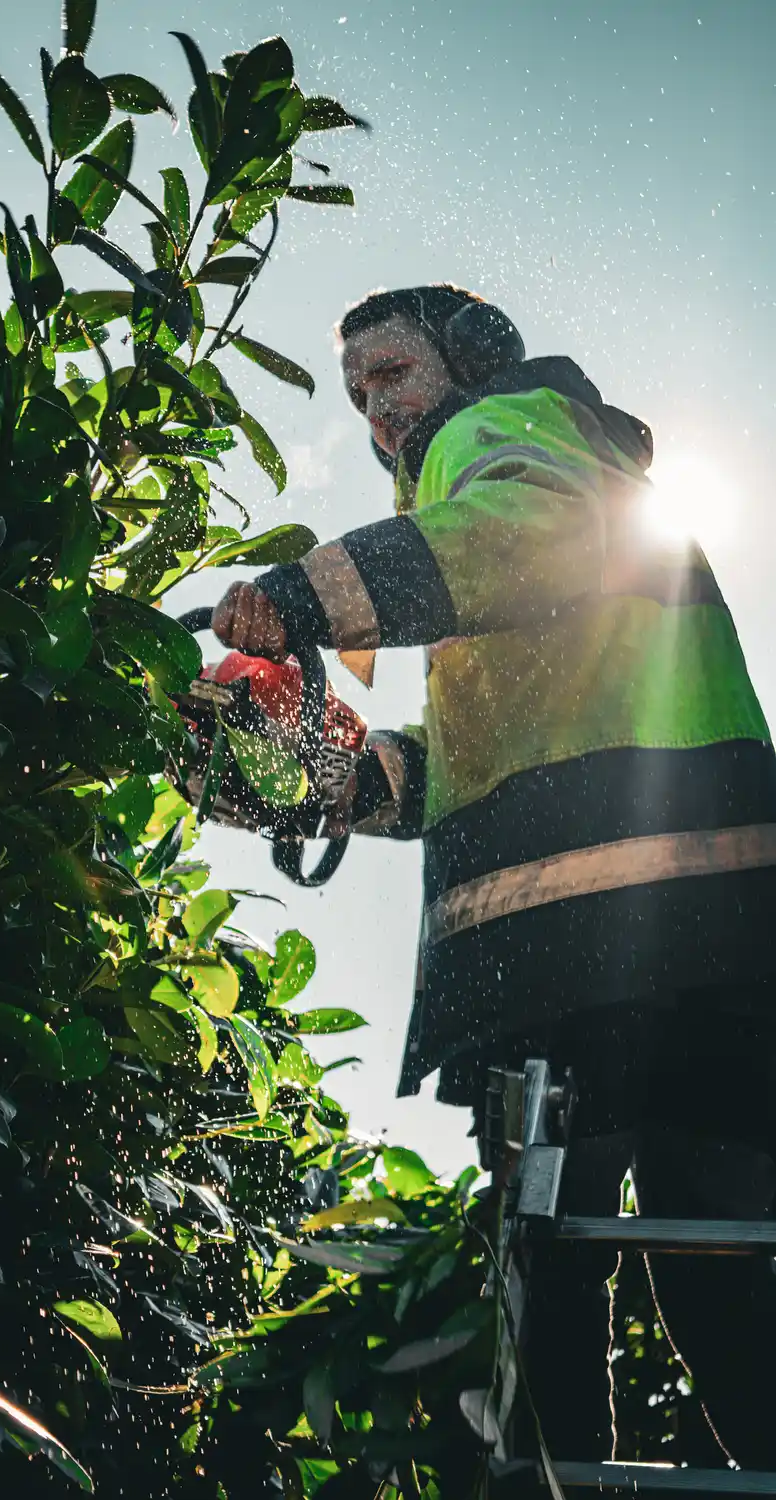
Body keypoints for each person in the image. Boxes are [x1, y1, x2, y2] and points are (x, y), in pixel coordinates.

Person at [210, 284, 776, 1465]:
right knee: (719, 1275)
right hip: (696, 936)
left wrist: (308, 593)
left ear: (469, 362)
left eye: (394, 373)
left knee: (546, 1300)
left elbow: (527, 533)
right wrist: (334, 781)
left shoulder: (503, 434)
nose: (377, 411)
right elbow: (485, 770)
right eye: (359, 391)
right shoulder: (518, 507)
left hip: (598, 951)